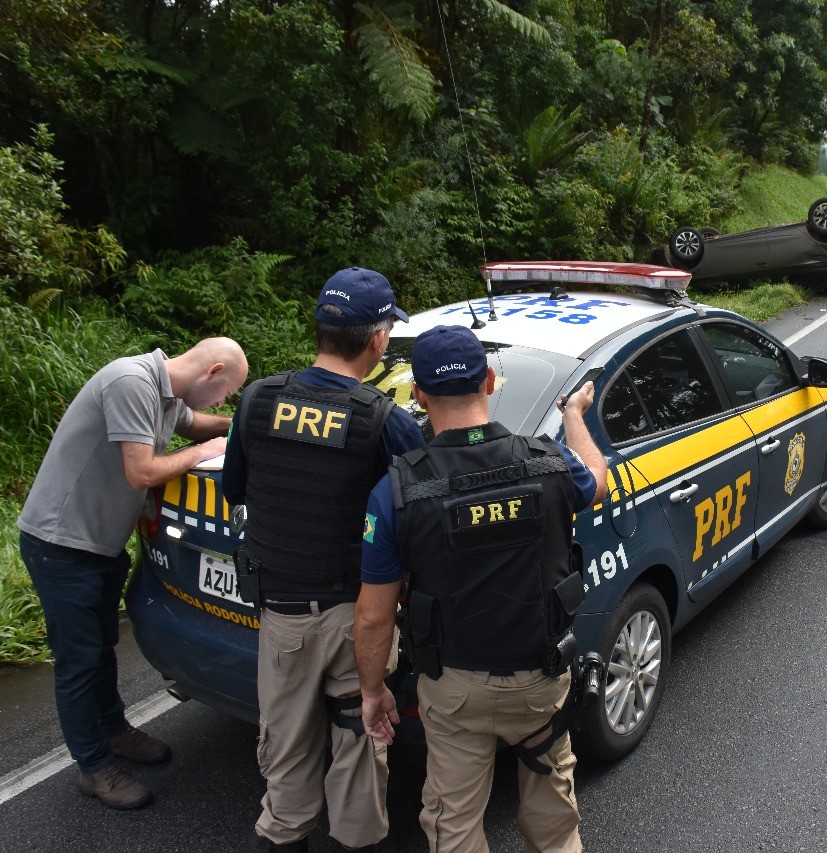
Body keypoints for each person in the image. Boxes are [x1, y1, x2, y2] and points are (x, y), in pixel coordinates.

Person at [354, 324, 607, 853]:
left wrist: (374, 691)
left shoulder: (397, 490)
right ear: (490, 381)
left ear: (419, 395)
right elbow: (597, 478)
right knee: (555, 815)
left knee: (454, 823)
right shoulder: (548, 462)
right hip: (543, 676)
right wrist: (574, 416)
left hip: (454, 688)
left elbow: (375, 617)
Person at [222, 267, 424, 853]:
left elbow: (237, 489)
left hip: (281, 616)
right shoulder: (385, 421)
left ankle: (285, 834)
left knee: (285, 761)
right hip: (358, 615)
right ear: (378, 339)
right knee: (360, 749)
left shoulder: (258, 399)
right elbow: (422, 512)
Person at [17, 337, 248, 810]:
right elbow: (141, 472)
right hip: (62, 544)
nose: (221, 402)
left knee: (101, 649)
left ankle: (113, 731)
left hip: (98, 545)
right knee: (79, 662)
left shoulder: (165, 396)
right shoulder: (131, 382)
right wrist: (205, 450)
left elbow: (198, 421)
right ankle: (94, 767)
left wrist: (249, 425)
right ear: (213, 371)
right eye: (226, 393)